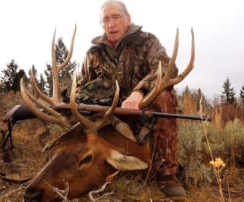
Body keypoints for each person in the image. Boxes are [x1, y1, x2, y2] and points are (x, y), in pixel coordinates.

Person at [77, 0, 186, 197]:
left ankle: (167, 173)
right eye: (106, 20)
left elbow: (167, 69)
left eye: (116, 17)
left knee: (164, 96)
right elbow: (80, 86)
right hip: (109, 118)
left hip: (144, 111)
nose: (111, 24)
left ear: (128, 19)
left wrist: (140, 91)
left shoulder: (148, 41)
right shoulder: (94, 53)